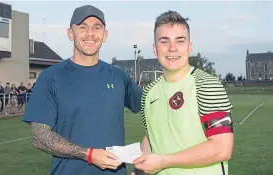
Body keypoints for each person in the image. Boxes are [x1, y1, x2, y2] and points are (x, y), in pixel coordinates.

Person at [23, 5, 142, 175]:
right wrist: (89, 154)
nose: (90, 34)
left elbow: (151, 108)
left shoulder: (118, 76)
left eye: (97, 27)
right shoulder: (51, 77)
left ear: (105, 35)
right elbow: (40, 137)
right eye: (83, 27)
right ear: (70, 33)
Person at [133, 10, 234, 175]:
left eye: (180, 41)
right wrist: (138, 169)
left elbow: (221, 148)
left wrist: (164, 161)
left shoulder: (207, 85)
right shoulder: (149, 92)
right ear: (154, 49)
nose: (172, 48)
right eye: (164, 42)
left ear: (189, 47)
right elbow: (152, 137)